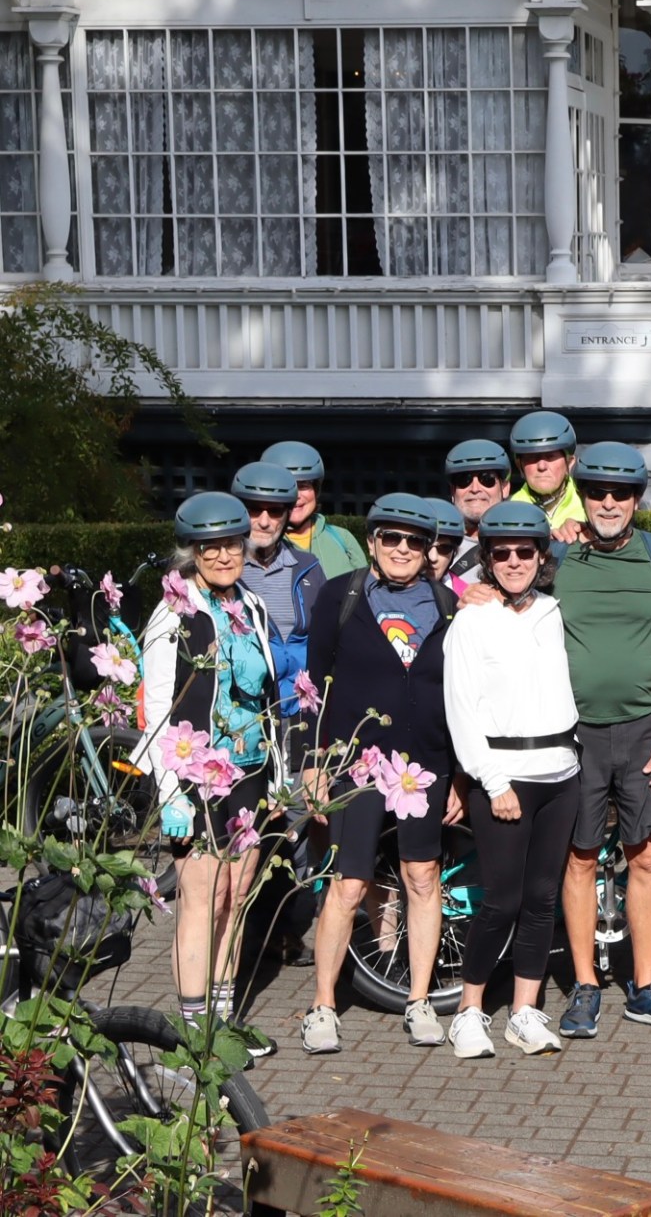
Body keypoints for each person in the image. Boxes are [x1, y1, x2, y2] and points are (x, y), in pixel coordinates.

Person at [297, 494, 459, 1056]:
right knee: (348, 884)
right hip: (356, 764)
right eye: (391, 538)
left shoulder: (446, 604)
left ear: (428, 551)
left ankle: (418, 1001)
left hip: (425, 766)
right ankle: (321, 1005)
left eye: (415, 542)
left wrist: (458, 776)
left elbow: (459, 697)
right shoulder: (339, 599)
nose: (402, 550)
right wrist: (313, 765)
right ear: (371, 542)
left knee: (422, 877)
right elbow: (311, 688)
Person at [551, 443, 651, 1039]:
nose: (608, 502)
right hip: (574, 730)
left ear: (637, 499)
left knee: (645, 855)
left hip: (646, 728)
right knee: (580, 856)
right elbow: (490, 581)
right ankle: (586, 985)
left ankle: (644, 986)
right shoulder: (556, 555)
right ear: (582, 496)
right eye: (596, 492)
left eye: (621, 493)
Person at [134, 493, 283, 1031]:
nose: (223, 555)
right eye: (209, 546)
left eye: (231, 543)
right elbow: (155, 709)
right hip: (194, 778)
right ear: (191, 551)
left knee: (236, 896)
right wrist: (170, 793)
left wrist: (279, 775)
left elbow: (265, 698)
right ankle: (194, 1028)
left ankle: (224, 1023)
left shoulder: (252, 605)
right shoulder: (173, 612)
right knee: (203, 897)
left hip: (249, 771)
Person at [443, 501, 584, 1059]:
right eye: (500, 553)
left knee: (541, 898)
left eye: (525, 551)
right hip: (504, 775)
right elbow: (462, 709)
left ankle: (525, 1010)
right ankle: (469, 1011)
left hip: (562, 774)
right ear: (486, 558)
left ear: (542, 556)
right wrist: (493, 781)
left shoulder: (553, 611)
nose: (513, 561)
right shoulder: (471, 620)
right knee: (499, 900)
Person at [230, 462, 323, 726]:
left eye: (274, 511)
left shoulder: (309, 567)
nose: (264, 521)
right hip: (247, 715)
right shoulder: (225, 572)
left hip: (306, 715)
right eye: (254, 510)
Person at [261, 441, 367, 579]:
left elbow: (365, 590)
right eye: (285, 487)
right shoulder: (258, 543)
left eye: (303, 486)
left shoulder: (341, 538)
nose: (296, 496)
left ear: (316, 491)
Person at [508, 411, 585, 536]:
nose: (542, 466)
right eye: (532, 457)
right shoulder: (508, 511)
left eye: (550, 456)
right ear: (519, 465)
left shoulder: (589, 504)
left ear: (569, 463)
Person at [444, 438, 511, 582]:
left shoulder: (526, 540)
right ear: (452, 491)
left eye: (487, 479)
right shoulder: (435, 545)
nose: (475, 489)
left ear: (505, 488)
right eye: (464, 480)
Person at [425, 498, 470, 597]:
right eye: (426, 546)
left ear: (454, 553)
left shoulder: (466, 596)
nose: (433, 557)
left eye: (444, 548)